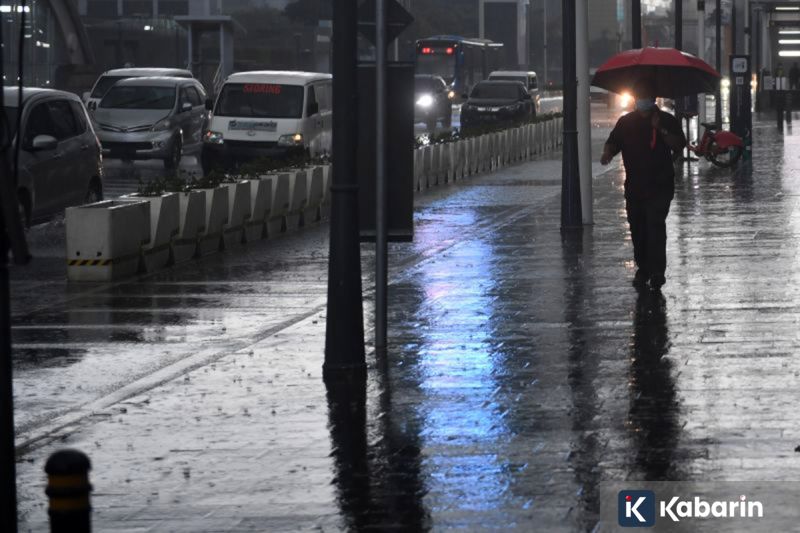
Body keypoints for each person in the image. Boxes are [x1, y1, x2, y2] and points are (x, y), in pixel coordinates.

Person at [600, 81, 686, 290]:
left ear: (653, 99)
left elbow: (679, 144)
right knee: (638, 229)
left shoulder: (666, 120)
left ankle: (657, 272)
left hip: (660, 185)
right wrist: (607, 153)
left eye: (645, 96)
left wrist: (660, 130)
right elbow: (613, 142)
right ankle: (643, 269)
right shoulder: (626, 122)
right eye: (639, 96)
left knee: (655, 226)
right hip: (635, 187)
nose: (642, 100)